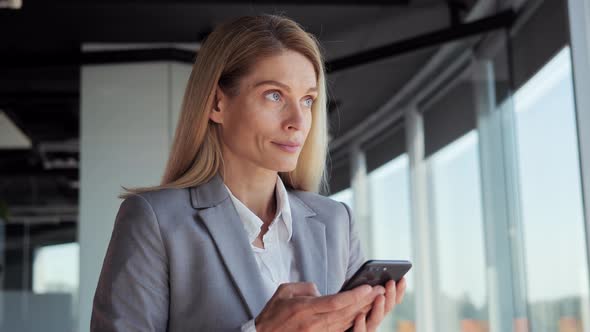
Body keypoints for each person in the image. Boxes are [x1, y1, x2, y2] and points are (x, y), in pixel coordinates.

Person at [91, 14, 407, 332]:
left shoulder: (336, 221)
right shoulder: (155, 221)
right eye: (275, 95)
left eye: (308, 99)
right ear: (217, 104)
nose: (298, 121)